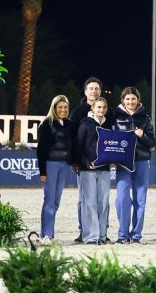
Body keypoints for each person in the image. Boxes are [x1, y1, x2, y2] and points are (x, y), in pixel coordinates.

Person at [112, 86, 155, 244]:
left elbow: (152, 142)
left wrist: (142, 135)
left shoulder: (145, 118)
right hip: (123, 163)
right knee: (122, 198)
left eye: (133, 99)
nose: (130, 101)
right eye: (127, 99)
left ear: (138, 100)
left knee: (140, 199)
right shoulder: (114, 117)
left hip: (142, 160)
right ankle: (122, 235)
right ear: (122, 100)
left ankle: (136, 235)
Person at [73, 96, 113, 245]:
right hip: (87, 170)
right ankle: (90, 236)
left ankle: (102, 235)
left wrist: (114, 160)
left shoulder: (108, 125)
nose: (101, 110)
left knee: (103, 202)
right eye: (99, 107)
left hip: (105, 169)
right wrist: (85, 162)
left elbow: (112, 146)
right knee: (89, 203)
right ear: (93, 109)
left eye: (103, 108)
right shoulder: (85, 124)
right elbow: (78, 147)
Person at [36, 95, 74, 244]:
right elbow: (41, 150)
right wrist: (43, 173)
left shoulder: (70, 125)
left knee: (56, 201)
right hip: (50, 165)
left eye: (65, 107)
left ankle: (45, 232)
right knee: (49, 201)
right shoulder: (46, 124)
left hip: (64, 166)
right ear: (54, 108)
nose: (63, 110)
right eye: (60, 107)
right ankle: (47, 235)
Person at [69, 77, 103, 244]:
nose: (94, 91)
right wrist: (75, 160)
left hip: (102, 165)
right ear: (85, 91)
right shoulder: (77, 113)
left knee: (101, 200)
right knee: (84, 199)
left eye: (96, 88)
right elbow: (73, 139)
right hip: (83, 163)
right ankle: (84, 231)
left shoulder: (106, 112)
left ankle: (101, 231)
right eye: (91, 88)